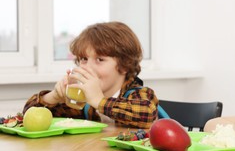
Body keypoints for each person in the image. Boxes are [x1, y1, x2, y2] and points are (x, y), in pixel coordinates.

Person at [23, 21, 158, 129]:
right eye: (84, 59)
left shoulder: (139, 94)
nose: (88, 67)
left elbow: (147, 114)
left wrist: (99, 101)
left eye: (100, 60)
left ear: (124, 65)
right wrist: (53, 97)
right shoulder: (84, 102)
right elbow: (29, 117)